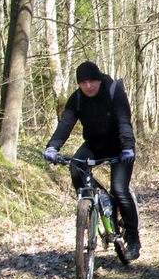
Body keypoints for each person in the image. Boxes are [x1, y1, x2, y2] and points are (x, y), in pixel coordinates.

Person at [43, 60, 140, 260]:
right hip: (94, 144)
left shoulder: (113, 91)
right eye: (83, 82)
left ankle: (133, 239)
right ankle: (95, 200)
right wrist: (53, 146)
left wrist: (128, 147)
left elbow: (124, 120)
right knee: (76, 167)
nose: (88, 86)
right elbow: (66, 123)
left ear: (99, 80)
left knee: (120, 190)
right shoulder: (77, 98)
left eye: (92, 81)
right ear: (78, 84)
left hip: (120, 146)